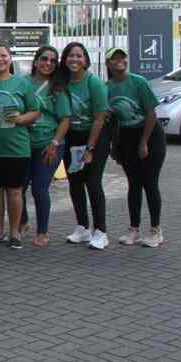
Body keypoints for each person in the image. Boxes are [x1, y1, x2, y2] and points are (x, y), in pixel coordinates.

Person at [0, 44, 40, 249]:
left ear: (10, 59)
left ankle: (15, 232)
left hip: (17, 147)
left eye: (3, 56)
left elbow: (35, 111)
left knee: (15, 191)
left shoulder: (22, 84)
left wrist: (21, 119)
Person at [106, 48, 166, 247]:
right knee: (133, 183)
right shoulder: (107, 87)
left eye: (121, 58)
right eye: (114, 59)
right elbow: (112, 121)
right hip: (127, 136)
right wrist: (115, 146)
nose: (119, 61)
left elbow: (151, 113)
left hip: (150, 135)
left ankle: (156, 230)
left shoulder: (138, 82)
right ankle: (133, 229)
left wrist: (144, 142)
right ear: (108, 64)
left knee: (150, 182)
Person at [57, 42, 111, 250]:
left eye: (79, 56)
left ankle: (101, 231)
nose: (74, 60)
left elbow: (99, 118)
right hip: (72, 138)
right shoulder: (62, 82)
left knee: (93, 182)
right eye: (71, 56)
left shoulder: (94, 82)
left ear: (86, 60)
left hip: (95, 138)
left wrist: (89, 149)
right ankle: (83, 228)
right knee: (75, 182)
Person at [23, 45, 71, 248]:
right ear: (35, 61)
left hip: (48, 144)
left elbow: (65, 119)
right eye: (44, 59)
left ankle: (42, 231)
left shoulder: (57, 89)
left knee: (40, 188)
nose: (48, 64)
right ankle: (21, 222)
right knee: (19, 186)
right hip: (23, 144)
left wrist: (54, 143)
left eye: (53, 61)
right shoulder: (23, 83)